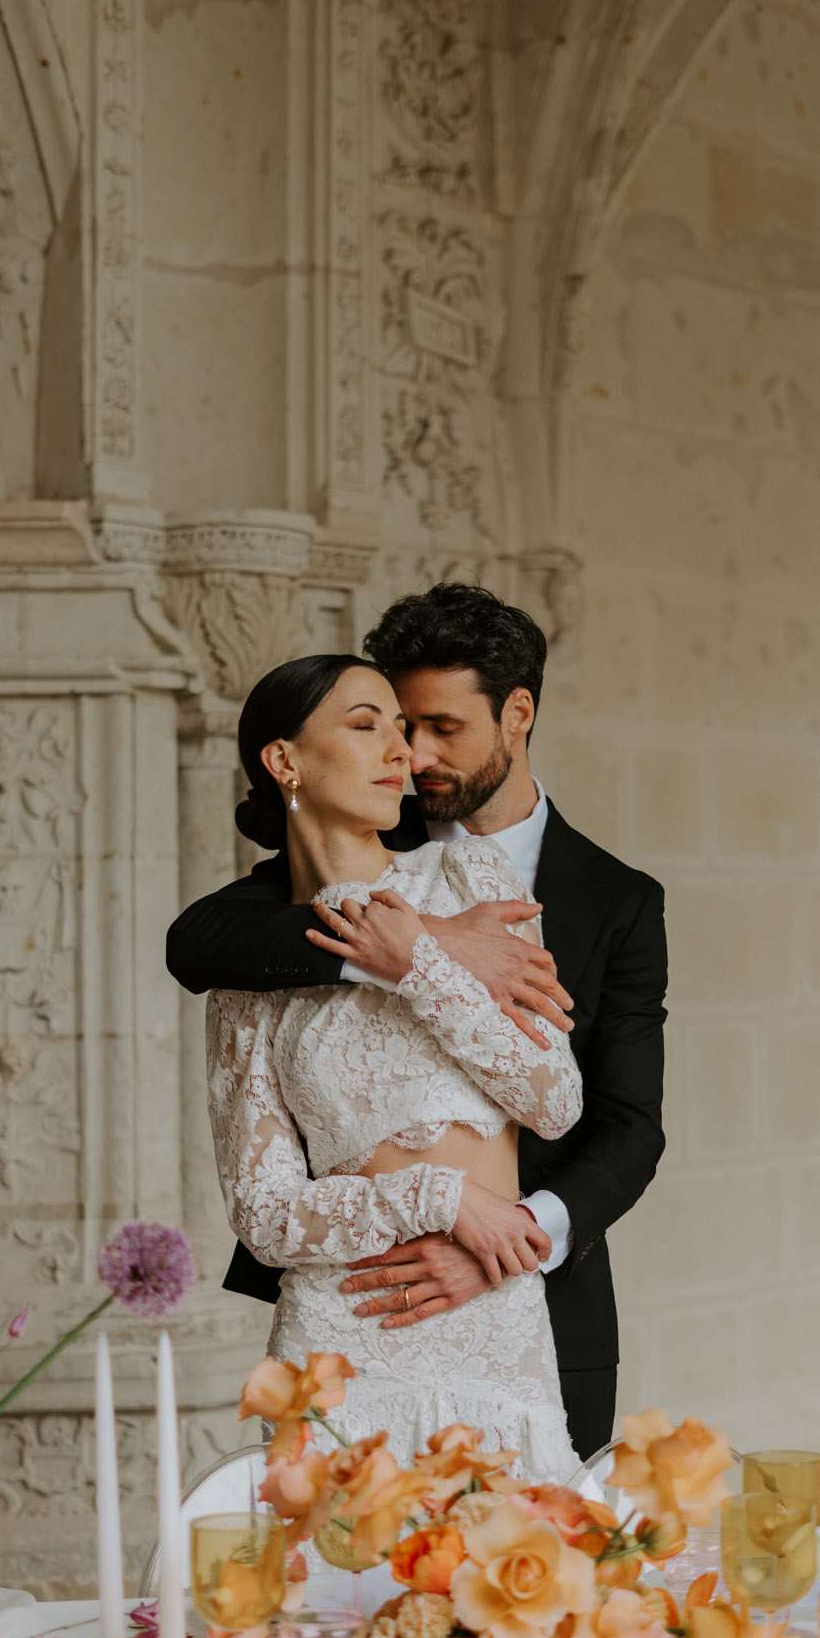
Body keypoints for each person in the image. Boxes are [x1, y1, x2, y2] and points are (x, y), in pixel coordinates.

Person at [168, 584, 668, 1458]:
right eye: (389, 724)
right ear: (288, 761)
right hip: (342, 1315)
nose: (411, 754)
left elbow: (609, 1120)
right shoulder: (270, 929)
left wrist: (503, 1242)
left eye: (436, 727)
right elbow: (197, 944)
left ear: (516, 715)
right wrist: (415, 944)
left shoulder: (591, 897)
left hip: (516, 1302)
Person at [202, 648, 582, 1476]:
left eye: (403, 731)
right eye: (366, 724)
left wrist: (418, 962)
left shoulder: (466, 877)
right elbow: (264, 1216)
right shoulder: (251, 969)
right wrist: (438, 1195)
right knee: (333, 1599)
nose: (401, 753)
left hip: (490, 1320)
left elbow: (553, 1098)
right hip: (339, 1336)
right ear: (284, 761)